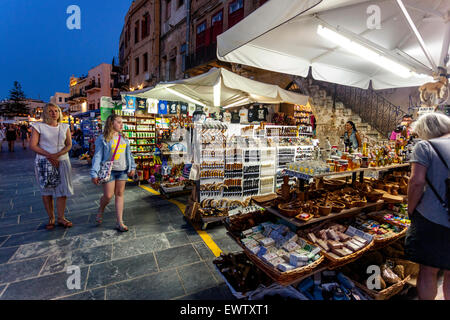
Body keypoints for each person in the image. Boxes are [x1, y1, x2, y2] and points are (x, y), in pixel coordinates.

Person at [406, 112, 450, 300]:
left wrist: (411, 209)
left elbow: (416, 182)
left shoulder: (425, 146)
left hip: (433, 217)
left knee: (428, 270)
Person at [30, 103, 74, 229]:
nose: (54, 113)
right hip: (44, 162)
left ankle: (61, 217)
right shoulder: (38, 126)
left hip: (62, 161)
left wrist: (57, 155)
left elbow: (68, 144)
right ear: (45, 113)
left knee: (62, 190)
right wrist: (50, 156)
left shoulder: (65, 127)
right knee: (46, 191)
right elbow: (33, 145)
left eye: (56, 110)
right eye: (51, 111)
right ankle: (51, 218)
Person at [90, 114, 136, 232]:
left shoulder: (124, 138)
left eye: (122, 122)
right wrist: (94, 173)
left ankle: (119, 222)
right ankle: (101, 209)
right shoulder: (103, 138)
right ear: (111, 123)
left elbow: (129, 155)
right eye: (119, 122)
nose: (122, 124)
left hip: (122, 170)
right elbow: (98, 156)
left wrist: (132, 167)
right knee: (108, 195)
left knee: (120, 194)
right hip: (108, 171)